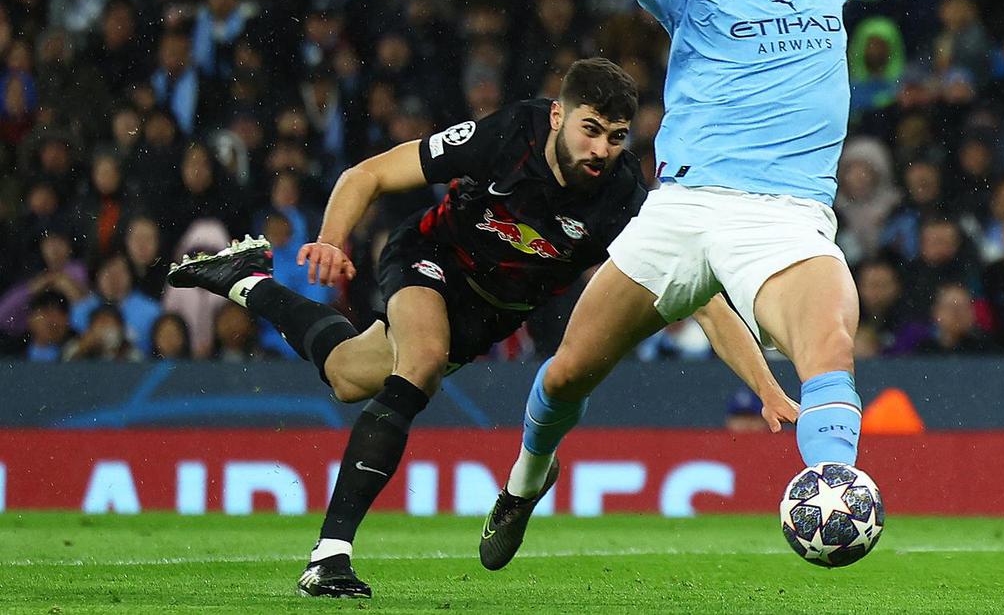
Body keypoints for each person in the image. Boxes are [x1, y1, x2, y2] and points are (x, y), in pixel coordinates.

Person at [454, 0, 926, 569]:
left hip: (783, 214)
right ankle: (523, 482)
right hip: (681, 208)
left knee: (829, 343)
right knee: (571, 369)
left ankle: (833, 480)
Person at [167, 58, 793, 597]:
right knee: (420, 365)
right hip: (431, 256)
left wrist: (766, 385)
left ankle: (245, 279)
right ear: (558, 116)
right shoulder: (508, 133)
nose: (601, 149)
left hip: (491, 313)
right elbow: (369, 174)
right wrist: (331, 239)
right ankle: (329, 557)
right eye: (591, 129)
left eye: (617, 137)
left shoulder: (624, 197)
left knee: (349, 375)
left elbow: (705, 301)